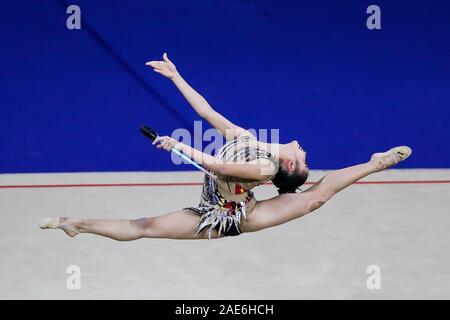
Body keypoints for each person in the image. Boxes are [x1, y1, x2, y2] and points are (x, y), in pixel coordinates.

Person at [40, 53, 412, 240]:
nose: (304, 149)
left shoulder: (266, 168)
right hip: (212, 201)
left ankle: (375, 164)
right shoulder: (249, 141)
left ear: (290, 165)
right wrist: (176, 77)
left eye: (304, 158)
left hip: (230, 214)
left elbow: (219, 169)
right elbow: (207, 110)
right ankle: (76, 224)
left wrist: (179, 147)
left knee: (315, 198)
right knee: (144, 226)